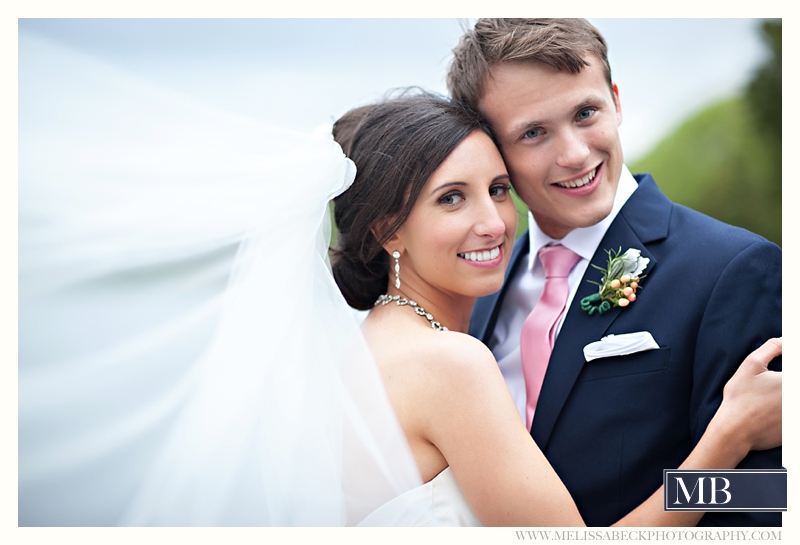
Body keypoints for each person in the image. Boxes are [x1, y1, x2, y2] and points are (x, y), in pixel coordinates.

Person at [330, 91, 781, 526]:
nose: (493, 223)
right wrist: (726, 440)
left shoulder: (729, 267)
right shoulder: (457, 343)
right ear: (388, 230)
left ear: (616, 100)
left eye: (498, 189)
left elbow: (769, 492)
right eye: (451, 198)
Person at [444, 19, 782, 526]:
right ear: (493, 149)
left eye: (586, 113)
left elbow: (760, 496)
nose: (576, 153)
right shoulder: (480, 292)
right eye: (533, 132)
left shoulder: (732, 268)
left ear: (616, 101)